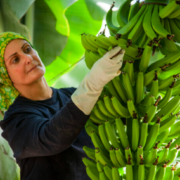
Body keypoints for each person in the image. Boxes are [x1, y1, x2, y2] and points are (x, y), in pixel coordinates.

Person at [0, 32, 125, 180]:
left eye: (27, 49)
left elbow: (120, 113)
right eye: (15, 60)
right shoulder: (15, 121)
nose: (27, 58)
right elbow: (52, 137)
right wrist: (93, 83)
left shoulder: (72, 95)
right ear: (5, 75)